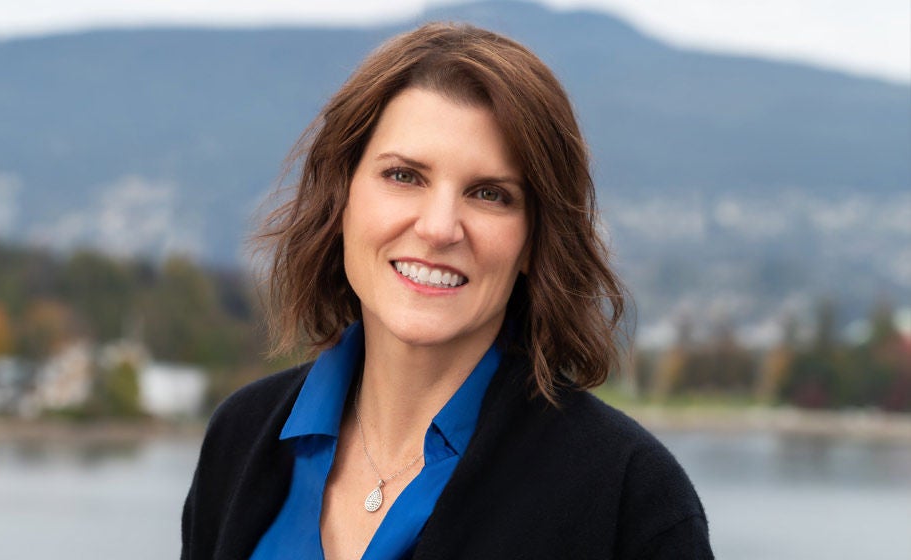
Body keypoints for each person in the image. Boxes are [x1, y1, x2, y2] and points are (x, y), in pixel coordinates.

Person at [181, 22, 712, 559]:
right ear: (341, 199)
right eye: (404, 176)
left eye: (489, 194)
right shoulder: (241, 436)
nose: (438, 228)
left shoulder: (631, 498)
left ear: (535, 240)